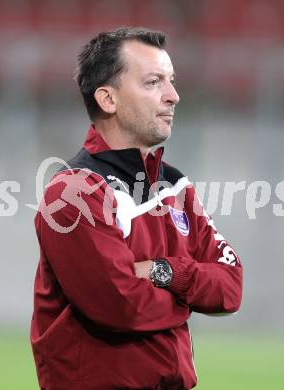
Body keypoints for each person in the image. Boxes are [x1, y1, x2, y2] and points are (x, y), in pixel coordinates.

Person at [30, 27, 243, 390]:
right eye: (153, 82)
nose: (173, 95)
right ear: (108, 99)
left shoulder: (175, 185)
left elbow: (231, 287)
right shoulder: (73, 192)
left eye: (171, 81)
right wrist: (188, 301)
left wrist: (165, 272)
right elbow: (120, 305)